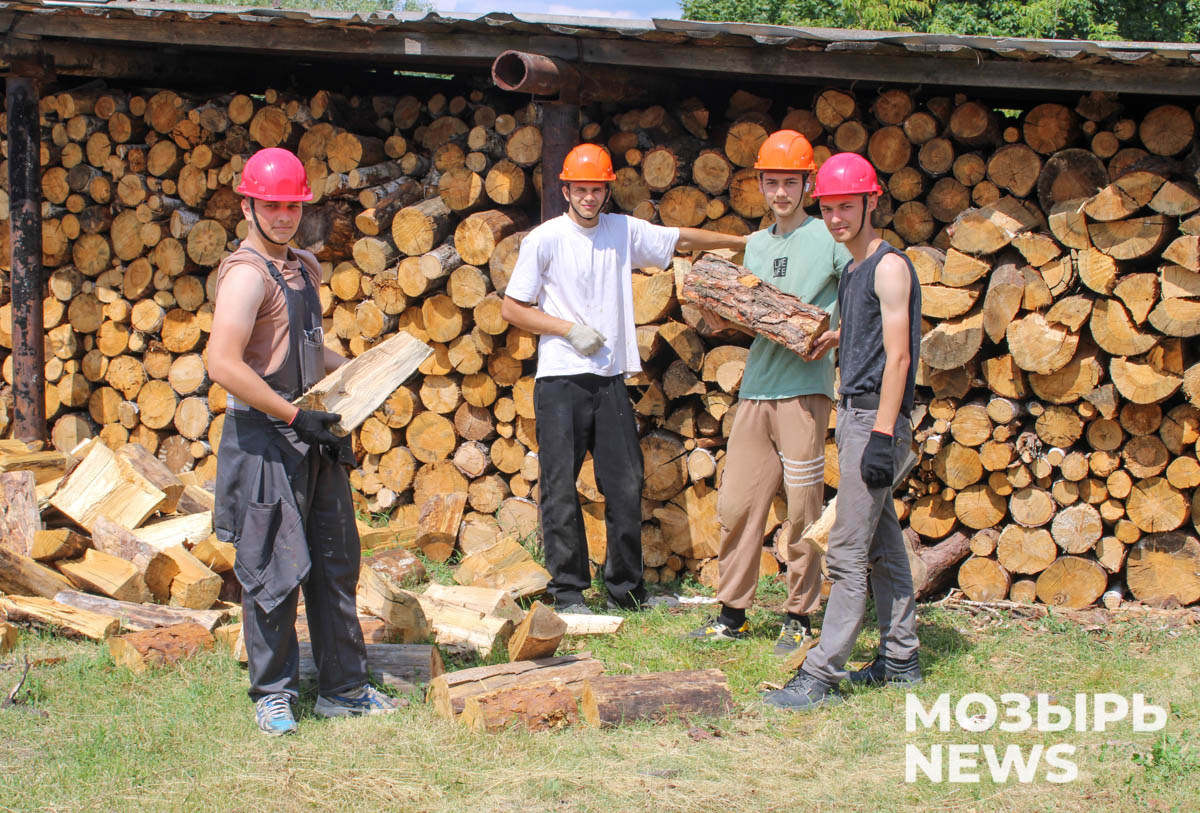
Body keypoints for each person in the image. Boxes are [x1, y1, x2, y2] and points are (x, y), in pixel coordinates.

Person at [500, 143, 747, 613]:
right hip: (561, 379)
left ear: (607, 191)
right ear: (566, 190)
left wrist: (741, 243)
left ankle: (626, 591)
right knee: (560, 485)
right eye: (581, 189)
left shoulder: (621, 230)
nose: (589, 198)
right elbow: (513, 308)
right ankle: (568, 592)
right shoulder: (545, 239)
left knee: (626, 483)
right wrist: (567, 329)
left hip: (609, 377)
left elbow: (679, 239)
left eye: (597, 190)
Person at [207, 147, 398, 735]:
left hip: (310, 430)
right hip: (265, 437)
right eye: (272, 206)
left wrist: (366, 376)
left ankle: (345, 689)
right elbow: (222, 362)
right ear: (248, 206)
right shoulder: (246, 275)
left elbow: (309, 351)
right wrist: (293, 416)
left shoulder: (305, 266)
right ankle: (273, 696)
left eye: (293, 206)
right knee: (271, 568)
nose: (284, 216)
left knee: (335, 563)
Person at [764, 152, 923, 710]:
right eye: (828, 209)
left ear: (871, 202)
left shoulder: (887, 267)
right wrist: (842, 337)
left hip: (876, 420)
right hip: (856, 416)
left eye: (846, 207)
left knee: (847, 553)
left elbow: (899, 358)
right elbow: (874, 336)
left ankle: (820, 674)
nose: (835, 218)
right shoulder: (854, 270)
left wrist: (882, 435)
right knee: (883, 545)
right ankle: (901, 659)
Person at [685, 130, 851, 657]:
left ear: (807, 185)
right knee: (736, 504)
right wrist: (717, 315)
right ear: (760, 184)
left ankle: (799, 615)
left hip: (805, 392)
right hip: (756, 389)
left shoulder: (829, 238)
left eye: (790, 183)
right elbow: (750, 316)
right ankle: (732, 613)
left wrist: (839, 332)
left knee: (802, 508)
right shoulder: (755, 245)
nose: (781, 192)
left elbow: (862, 297)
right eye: (772, 182)